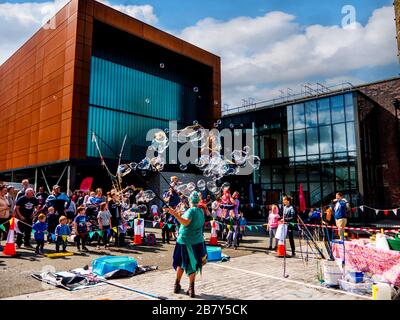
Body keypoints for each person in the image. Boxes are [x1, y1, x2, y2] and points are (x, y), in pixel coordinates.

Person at [170, 191, 207, 298]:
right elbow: (190, 220)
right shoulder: (200, 211)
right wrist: (179, 213)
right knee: (192, 264)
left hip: (186, 241)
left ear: (190, 201)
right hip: (197, 241)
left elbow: (185, 222)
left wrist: (174, 214)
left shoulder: (191, 211)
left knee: (182, 263)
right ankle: (190, 288)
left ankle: (178, 285)